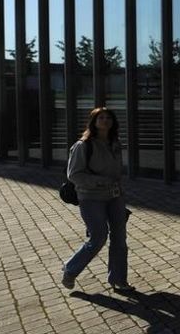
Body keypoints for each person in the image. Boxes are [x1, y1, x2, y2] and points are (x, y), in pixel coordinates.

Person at [61, 107, 134, 292]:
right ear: (93, 122)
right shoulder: (83, 145)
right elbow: (74, 175)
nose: (105, 120)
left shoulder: (115, 143)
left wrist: (119, 191)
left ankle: (118, 279)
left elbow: (116, 173)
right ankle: (70, 269)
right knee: (98, 237)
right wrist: (102, 182)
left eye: (108, 118)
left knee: (120, 238)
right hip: (91, 197)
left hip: (115, 197)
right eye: (101, 118)